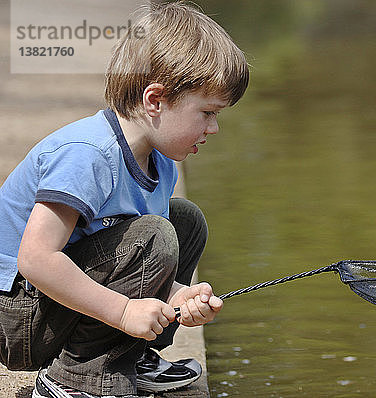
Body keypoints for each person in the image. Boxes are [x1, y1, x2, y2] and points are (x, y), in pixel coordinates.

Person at [0, 2, 249, 397]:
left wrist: (178, 297)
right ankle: (72, 381)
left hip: (60, 303)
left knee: (184, 222)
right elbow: (36, 259)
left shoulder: (161, 163)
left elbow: (142, 264)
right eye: (207, 112)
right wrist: (123, 311)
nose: (214, 127)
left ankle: (131, 356)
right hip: (19, 315)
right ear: (155, 101)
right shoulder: (89, 155)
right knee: (155, 236)